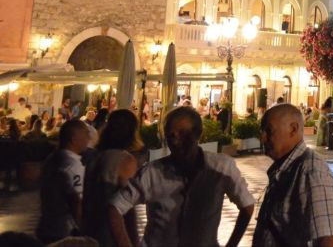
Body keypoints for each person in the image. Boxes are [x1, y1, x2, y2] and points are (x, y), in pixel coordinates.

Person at [108, 106, 255, 247]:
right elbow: (115, 207)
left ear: (198, 133)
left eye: (183, 134)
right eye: (171, 136)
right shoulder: (152, 172)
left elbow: (247, 205)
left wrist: (232, 244)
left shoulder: (221, 167)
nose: (176, 141)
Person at [254, 104, 333, 246]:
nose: (262, 137)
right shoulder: (285, 168)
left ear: (293, 129)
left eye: (269, 130)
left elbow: (329, 239)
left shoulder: (310, 170)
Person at [83, 109, 142, 247]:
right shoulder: (125, 161)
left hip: (89, 229)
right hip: (110, 234)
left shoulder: (94, 157)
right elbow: (125, 209)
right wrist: (131, 241)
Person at [36, 119, 89, 243]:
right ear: (74, 138)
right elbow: (76, 201)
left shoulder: (52, 158)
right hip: (64, 231)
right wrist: (83, 230)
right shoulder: (72, 165)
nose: (88, 139)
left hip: (47, 225)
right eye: (86, 134)